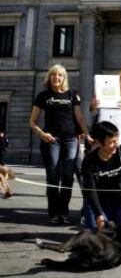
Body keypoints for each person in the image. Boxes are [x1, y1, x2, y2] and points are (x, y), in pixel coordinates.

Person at [29, 64, 92, 225]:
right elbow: (32, 122)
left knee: (67, 177)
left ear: (64, 78)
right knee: (53, 177)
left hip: (71, 139)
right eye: (54, 75)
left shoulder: (72, 94)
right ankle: (54, 213)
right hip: (52, 140)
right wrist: (42, 134)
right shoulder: (43, 96)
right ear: (49, 77)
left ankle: (63, 212)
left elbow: (79, 118)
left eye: (60, 75)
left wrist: (88, 135)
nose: (57, 78)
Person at [90, 69, 121, 147]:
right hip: (103, 131)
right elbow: (94, 112)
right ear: (119, 81)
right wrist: (93, 106)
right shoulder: (105, 93)